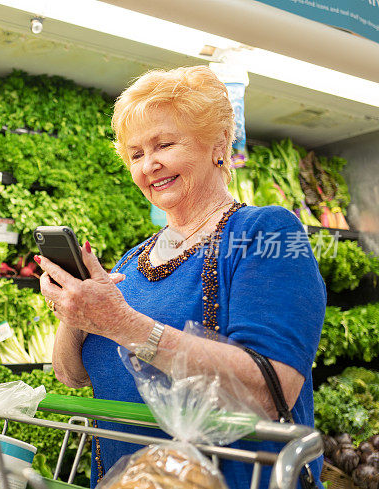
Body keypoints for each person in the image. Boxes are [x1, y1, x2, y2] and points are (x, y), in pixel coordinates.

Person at [35, 66, 325, 489]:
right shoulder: (132, 260)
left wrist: (121, 324)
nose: (149, 164)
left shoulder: (266, 233)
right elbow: (72, 376)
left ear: (218, 145)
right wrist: (76, 311)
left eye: (164, 144)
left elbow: (270, 389)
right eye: (135, 155)